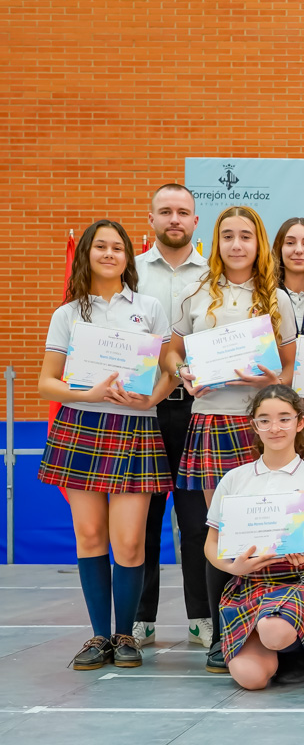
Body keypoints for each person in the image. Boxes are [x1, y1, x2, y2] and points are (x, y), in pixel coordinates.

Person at [38, 220, 179, 670]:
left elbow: (170, 368)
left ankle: (125, 635)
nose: (109, 253)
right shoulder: (68, 313)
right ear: (86, 253)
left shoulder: (149, 307)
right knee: (91, 536)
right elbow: (46, 383)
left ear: (127, 258)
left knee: (130, 542)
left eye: (118, 247)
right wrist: (88, 393)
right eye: (100, 246)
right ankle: (100, 636)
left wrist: (153, 398)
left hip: (136, 429)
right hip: (81, 427)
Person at [166, 205, 299, 673]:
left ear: (258, 242)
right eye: (228, 236)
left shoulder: (277, 298)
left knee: (269, 527)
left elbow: (290, 368)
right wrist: (182, 374)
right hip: (211, 421)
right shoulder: (195, 292)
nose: (237, 244)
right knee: (220, 531)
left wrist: (271, 381)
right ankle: (224, 635)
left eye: (246, 235)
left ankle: (275, 629)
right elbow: (171, 353)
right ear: (216, 242)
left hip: (261, 425)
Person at [204, 386, 304, 689]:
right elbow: (211, 544)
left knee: (274, 631)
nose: (275, 428)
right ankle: (271, 645)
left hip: (299, 580)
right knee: (251, 679)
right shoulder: (235, 479)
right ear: (254, 425)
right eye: (265, 420)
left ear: (300, 422)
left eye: (284, 418)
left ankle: (294, 649)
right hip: (249, 582)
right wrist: (233, 568)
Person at [135, 183, 211, 649]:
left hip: (197, 409)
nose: (175, 219)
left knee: (197, 521)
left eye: (183, 212)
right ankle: (140, 619)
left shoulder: (213, 276)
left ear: (195, 221)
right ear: (152, 219)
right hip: (141, 409)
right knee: (141, 518)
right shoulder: (130, 272)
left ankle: (201, 617)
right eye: (165, 211)